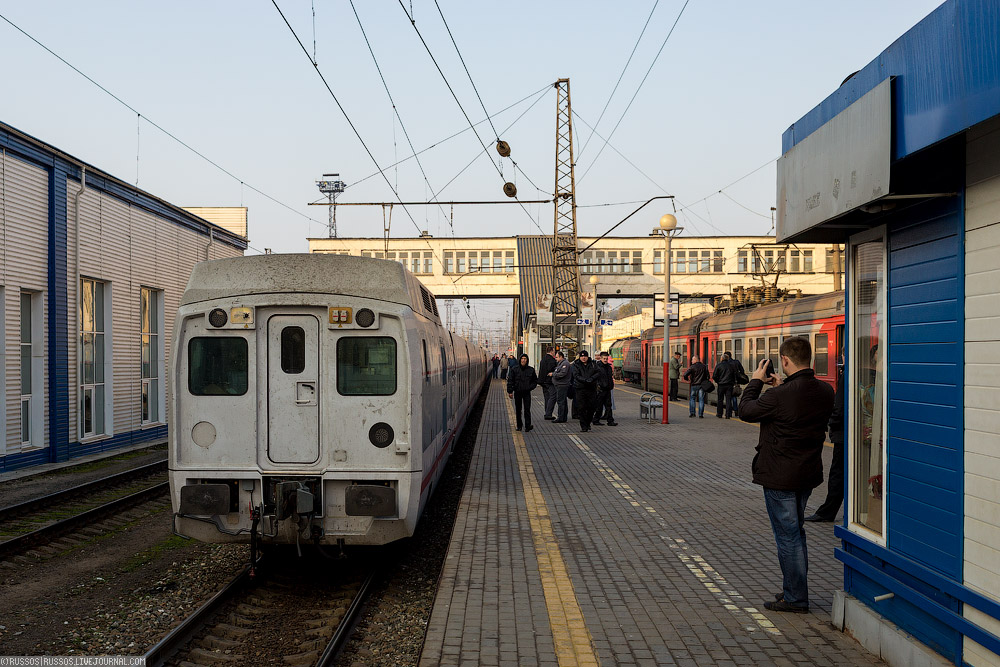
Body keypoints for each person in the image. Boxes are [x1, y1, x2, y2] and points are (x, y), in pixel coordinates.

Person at [738, 336, 835, 614]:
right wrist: (781, 386)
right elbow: (796, 409)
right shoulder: (825, 391)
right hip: (807, 474)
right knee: (797, 534)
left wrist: (756, 381)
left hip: (780, 476)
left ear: (784, 360)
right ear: (811, 359)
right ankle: (795, 589)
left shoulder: (777, 397)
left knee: (788, 537)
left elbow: (745, 410)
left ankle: (795, 598)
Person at [806, 362, 845, 522]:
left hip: (844, 434)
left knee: (838, 473)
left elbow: (840, 406)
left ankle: (827, 512)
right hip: (859, 433)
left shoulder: (849, 374)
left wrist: (831, 424)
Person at [571, 350, 601, 432]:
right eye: (582, 356)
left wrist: (592, 379)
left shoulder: (593, 364)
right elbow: (576, 375)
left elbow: (598, 372)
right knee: (581, 408)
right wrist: (585, 380)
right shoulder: (576, 364)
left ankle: (588, 422)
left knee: (592, 407)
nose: (583, 358)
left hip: (591, 388)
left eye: (585, 356)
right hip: (580, 388)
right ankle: (583, 426)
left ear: (588, 357)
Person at [506, 353, 538, 432]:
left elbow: (535, 381)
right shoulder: (514, 369)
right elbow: (510, 381)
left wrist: (530, 387)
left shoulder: (531, 370)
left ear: (527, 360)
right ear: (520, 360)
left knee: (527, 409)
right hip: (518, 392)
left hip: (527, 392)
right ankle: (519, 425)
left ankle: (528, 425)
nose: (523, 360)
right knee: (518, 409)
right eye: (522, 359)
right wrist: (510, 391)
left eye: (525, 359)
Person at [593, 351, 618, 426]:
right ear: (601, 358)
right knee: (599, 406)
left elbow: (610, 377)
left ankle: (610, 420)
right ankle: (596, 420)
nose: (605, 360)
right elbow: (595, 377)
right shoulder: (597, 367)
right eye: (604, 358)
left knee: (608, 406)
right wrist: (597, 386)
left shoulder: (608, 367)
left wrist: (611, 385)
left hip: (607, 389)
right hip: (600, 389)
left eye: (606, 359)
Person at [713, 351, 737, 419]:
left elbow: (714, 376)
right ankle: (728, 414)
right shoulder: (731, 366)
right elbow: (734, 375)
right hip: (729, 385)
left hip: (721, 385)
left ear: (722, 359)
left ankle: (719, 414)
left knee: (720, 400)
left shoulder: (719, 365)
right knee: (728, 400)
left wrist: (718, 381)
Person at [538, 347, 558, 420]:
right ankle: (548, 413)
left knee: (547, 397)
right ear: (552, 351)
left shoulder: (543, 359)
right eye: (554, 351)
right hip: (549, 381)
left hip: (543, 381)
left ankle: (547, 412)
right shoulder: (551, 360)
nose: (555, 353)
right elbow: (551, 369)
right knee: (553, 396)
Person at [551, 350, 571, 423]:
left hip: (562, 385)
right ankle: (563, 417)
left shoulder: (565, 364)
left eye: (556, 357)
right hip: (559, 385)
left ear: (561, 357)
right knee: (563, 401)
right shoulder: (560, 363)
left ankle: (561, 417)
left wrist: (553, 375)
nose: (555, 359)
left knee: (561, 401)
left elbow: (562, 373)